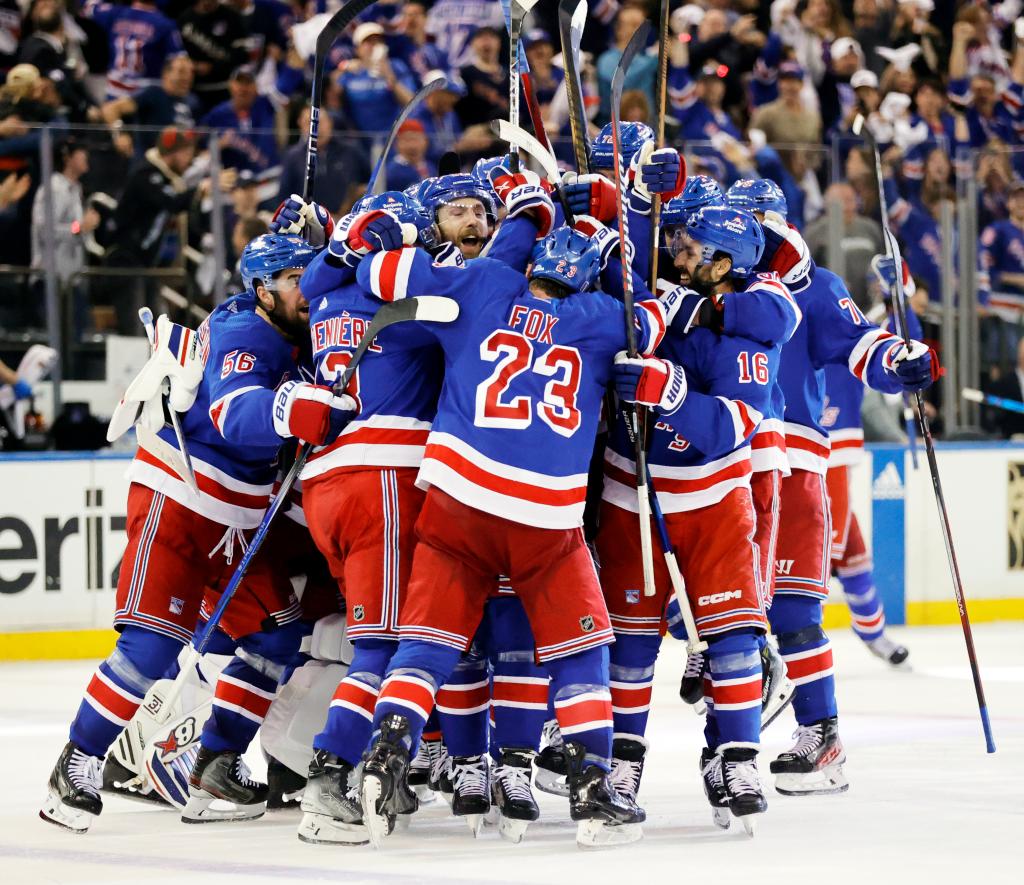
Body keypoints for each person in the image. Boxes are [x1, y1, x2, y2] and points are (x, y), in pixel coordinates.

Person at [349, 222, 670, 849]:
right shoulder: (606, 317)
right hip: (543, 515)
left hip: (456, 498)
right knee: (579, 652)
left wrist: (392, 240)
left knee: (428, 644)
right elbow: (655, 322)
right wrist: (620, 241)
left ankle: (387, 754)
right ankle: (591, 783)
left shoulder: (488, 281)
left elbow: (384, 280)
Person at [39, 232, 357, 833]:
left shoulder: (285, 325)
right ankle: (76, 763)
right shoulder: (247, 334)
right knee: (150, 646)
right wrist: (295, 410)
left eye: (306, 275)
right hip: (182, 503)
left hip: (238, 520)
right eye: (294, 280)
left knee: (274, 639)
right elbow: (235, 414)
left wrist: (310, 230)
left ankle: (215, 761)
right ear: (262, 290)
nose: (307, 289)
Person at [599, 206, 791, 836]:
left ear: (724, 263)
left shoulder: (751, 326)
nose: (676, 259)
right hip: (633, 495)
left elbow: (731, 426)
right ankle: (620, 764)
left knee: (733, 640)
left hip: (711, 502)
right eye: (677, 246)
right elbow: (621, 256)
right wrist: (625, 194)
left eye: (690, 251)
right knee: (629, 643)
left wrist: (671, 395)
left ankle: (735, 760)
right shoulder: (663, 299)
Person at [767, 251, 937, 797]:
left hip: (822, 453)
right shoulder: (774, 302)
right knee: (851, 549)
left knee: (837, 551)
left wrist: (902, 296)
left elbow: (886, 344)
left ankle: (868, 640)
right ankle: (873, 635)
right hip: (774, 449)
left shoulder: (830, 307)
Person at [822, 255, 916, 666]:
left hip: (833, 449)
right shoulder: (782, 319)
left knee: (849, 548)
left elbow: (903, 346)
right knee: (824, 549)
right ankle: (793, 635)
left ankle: (872, 631)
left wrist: (900, 297)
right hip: (797, 450)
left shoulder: (851, 332)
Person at [30, 140, 100, 336]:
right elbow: (45, 231)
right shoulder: (54, 188)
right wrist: (79, 228)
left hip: (71, 280)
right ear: (67, 157)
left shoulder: (75, 189)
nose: (86, 155)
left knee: (76, 340)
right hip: (50, 280)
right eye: (80, 151)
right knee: (57, 341)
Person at [92, 55, 199, 155]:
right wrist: (119, 135)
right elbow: (110, 109)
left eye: (191, 72)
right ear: (166, 74)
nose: (187, 77)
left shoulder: (193, 101)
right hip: (150, 161)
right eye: (181, 72)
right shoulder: (153, 94)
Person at [276, 106, 370, 218]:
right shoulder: (292, 157)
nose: (317, 129)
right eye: (309, 123)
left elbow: (368, 183)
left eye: (321, 122)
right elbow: (285, 196)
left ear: (330, 123)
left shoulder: (352, 151)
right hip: (307, 223)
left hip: (347, 220)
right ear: (300, 125)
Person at [803, 182, 883, 311]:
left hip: (870, 307)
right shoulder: (814, 233)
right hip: (831, 307)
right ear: (828, 204)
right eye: (842, 201)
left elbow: (881, 260)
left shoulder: (871, 228)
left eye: (851, 200)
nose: (848, 206)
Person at [83, 0, 186, 98]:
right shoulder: (165, 24)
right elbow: (180, 62)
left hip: (116, 92)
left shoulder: (115, 13)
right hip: (145, 96)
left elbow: (89, 6)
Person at [337, 22, 417, 136]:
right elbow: (332, 97)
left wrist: (389, 75)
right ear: (357, 49)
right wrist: (344, 67)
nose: (374, 46)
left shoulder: (396, 66)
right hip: (360, 138)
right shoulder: (351, 71)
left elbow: (411, 103)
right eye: (368, 42)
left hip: (391, 138)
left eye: (378, 41)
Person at [201, 66, 280, 176]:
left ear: (256, 87)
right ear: (231, 85)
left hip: (269, 176)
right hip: (235, 182)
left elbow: (286, 87)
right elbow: (201, 152)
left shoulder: (266, 105)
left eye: (248, 83)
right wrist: (219, 144)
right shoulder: (217, 115)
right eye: (239, 83)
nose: (243, 88)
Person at [178, 0, 250, 113]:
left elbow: (242, 55)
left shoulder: (231, 16)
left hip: (224, 88)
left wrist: (213, 67)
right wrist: (192, 65)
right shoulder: (185, 18)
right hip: (194, 89)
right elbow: (177, 53)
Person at [457, 26, 508, 128]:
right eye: (480, 37)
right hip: (478, 134)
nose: (486, 41)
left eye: (492, 36)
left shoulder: (511, 74)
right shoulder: (465, 74)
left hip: (509, 134)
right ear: (472, 44)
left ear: (499, 42)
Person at [383, 120, 432, 193]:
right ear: (396, 144)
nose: (412, 146)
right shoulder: (392, 172)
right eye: (406, 140)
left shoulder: (430, 167)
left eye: (416, 139)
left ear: (426, 142)